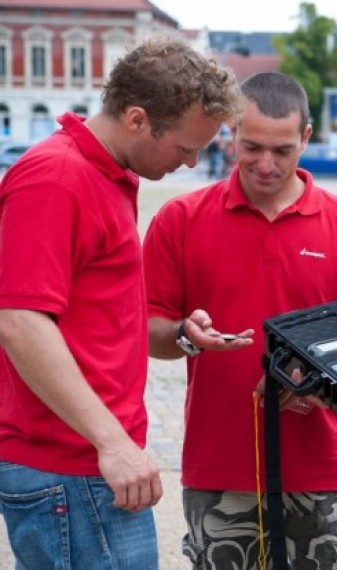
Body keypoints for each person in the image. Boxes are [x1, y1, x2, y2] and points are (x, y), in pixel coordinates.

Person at [0, 35, 242, 569]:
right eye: (184, 148)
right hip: (72, 465)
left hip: (85, 464)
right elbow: (20, 321)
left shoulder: (105, 173)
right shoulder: (56, 178)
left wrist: (179, 333)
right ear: (137, 119)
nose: (192, 162)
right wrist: (112, 443)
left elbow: (91, 315)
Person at [143, 72, 337, 569]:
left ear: (306, 138)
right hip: (219, 466)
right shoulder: (180, 219)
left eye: (282, 150)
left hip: (319, 467)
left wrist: (317, 378)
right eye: (252, 147)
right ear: (231, 132)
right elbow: (147, 330)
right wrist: (184, 335)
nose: (265, 164)